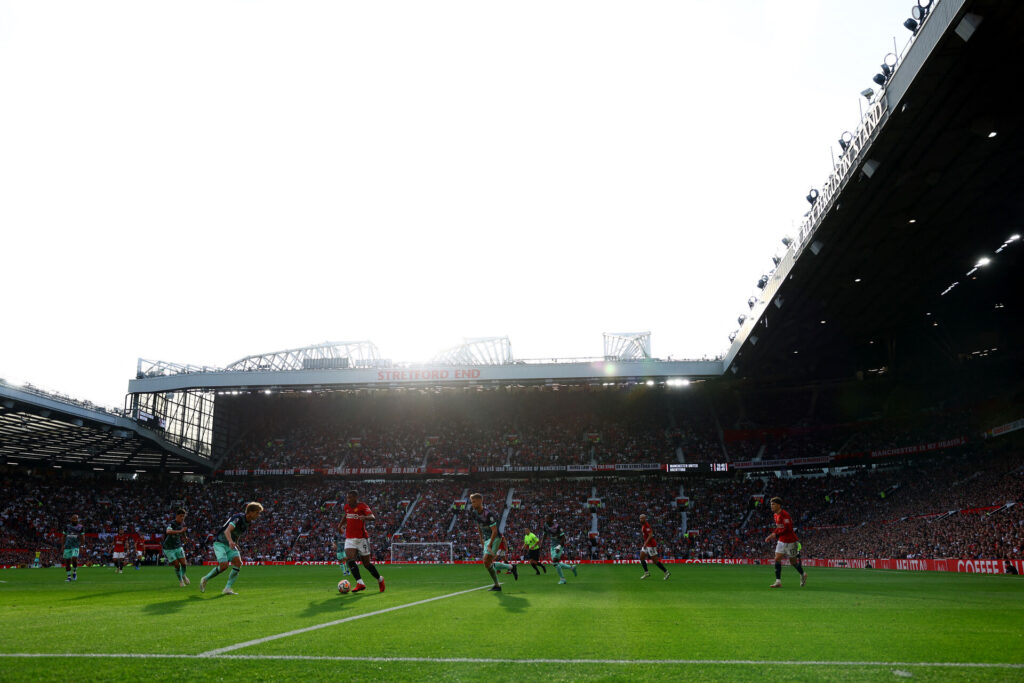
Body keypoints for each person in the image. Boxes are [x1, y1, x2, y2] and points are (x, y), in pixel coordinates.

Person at [200, 502, 263, 596]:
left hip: (230, 544)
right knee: (224, 566)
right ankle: (205, 579)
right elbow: (227, 531)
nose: (258, 515)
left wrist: (236, 543)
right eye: (257, 512)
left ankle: (227, 588)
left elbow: (237, 533)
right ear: (250, 512)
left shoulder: (248, 522)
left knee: (238, 563)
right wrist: (230, 541)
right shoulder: (238, 518)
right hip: (220, 543)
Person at [469, 493, 517, 591]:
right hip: (486, 538)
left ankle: (499, 583)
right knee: (487, 563)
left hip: (495, 538)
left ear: (480, 501)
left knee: (487, 560)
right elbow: (479, 526)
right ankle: (509, 569)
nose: (472, 504)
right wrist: (481, 539)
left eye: (474, 502)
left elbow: (495, 531)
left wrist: (490, 545)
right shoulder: (474, 513)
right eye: (471, 502)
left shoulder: (488, 514)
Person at [342, 490, 384, 593]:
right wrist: (340, 525)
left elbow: (372, 517)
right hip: (350, 538)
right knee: (350, 559)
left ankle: (380, 579)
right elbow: (346, 516)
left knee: (366, 564)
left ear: (356, 498)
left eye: (350, 497)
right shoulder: (346, 507)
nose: (348, 499)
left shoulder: (362, 506)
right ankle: (360, 583)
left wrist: (364, 517)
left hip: (362, 539)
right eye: (347, 497)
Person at [765, 496, 806, 588]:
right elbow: (779, 528)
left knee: (793, 562)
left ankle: (803, 574)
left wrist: (776, 535)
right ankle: (778, 581)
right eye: (771, 504)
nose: (771, 506)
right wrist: (772, 535)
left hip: (791, 541)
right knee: (777, 559)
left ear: (779, 505)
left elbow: (788, 529)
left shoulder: (785, 515)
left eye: (773, 504)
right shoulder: (775, 515)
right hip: (781, 541)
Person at [542, 514, 578, 584]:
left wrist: (559, 546)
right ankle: (571, 568)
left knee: (555, 561)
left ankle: (562, 579)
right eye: (545, 518)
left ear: (552, 519)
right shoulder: (545, 525)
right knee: (555, 563)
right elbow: (545, 534)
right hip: (552, 545)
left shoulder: (557, 526)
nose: (546, 520)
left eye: (548, 518)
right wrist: (541, 544)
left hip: (559, 544)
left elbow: (563, 538)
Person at [162, 508, 190, 587]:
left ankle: (183, 575)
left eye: (183, 516)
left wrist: (185, 537)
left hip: (178, 546)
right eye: (181, 516)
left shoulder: (182, 523)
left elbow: (183, 531)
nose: (182, 518)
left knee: (184, 564)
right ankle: (181, 581)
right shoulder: (172, 524)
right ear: (177, 516)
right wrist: (180, 532)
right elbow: (168, 532)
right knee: (177, 565)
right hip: (168, 548)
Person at [638, 514, 670, 580]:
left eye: (642, 518)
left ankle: (666, 572)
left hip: (651, 545)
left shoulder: (646, 525)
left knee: (655, 561)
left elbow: (650, 535)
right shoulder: (643, 525)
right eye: (640, 518)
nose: (641, 519)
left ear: (645, 518)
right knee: (641, 557)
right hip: (647, 545)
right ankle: (646, 573)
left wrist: (645, 543)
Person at [62, 514, 84, 582]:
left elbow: (82, 537)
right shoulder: (67, 526)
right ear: (71, 519)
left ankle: (74, 572)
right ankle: (69, 577)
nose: (75, 520)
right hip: (67, 545)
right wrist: (63, 545)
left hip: (76, 546)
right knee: (67, 562)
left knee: (74, 558)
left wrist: (82, 545)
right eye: (73, 519)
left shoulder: (81, 527)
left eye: (76, 519)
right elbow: (63, 536)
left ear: (78, 519)